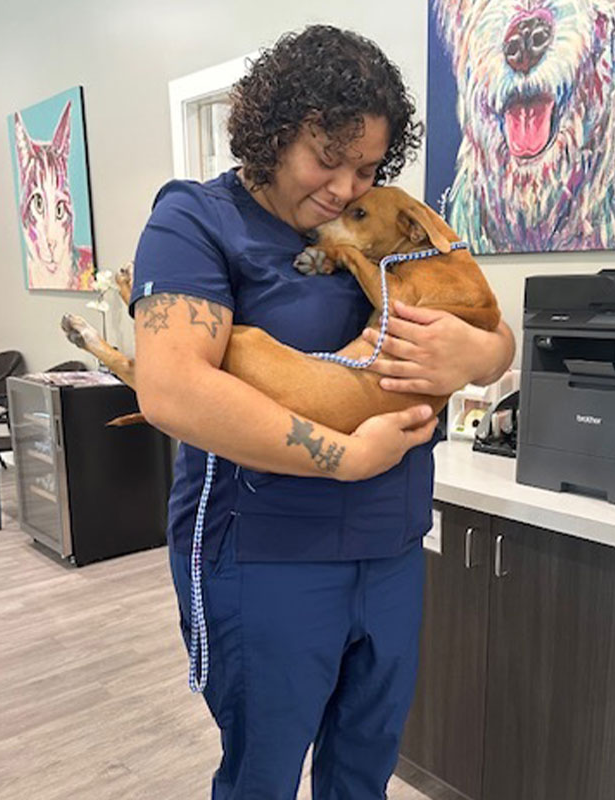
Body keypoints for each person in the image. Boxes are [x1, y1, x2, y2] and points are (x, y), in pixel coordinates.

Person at [130, 24, 515, 799]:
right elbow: (172, 388)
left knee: (363, 772)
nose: (345, 189)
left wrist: (478, 358)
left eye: (367, 166)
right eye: (327, 160)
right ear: (273, 134)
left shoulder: (381, 229)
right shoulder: (197, 223)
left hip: (391, 550)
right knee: (263, 778)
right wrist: (348, 455)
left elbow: (487, 323)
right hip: (266, 558)